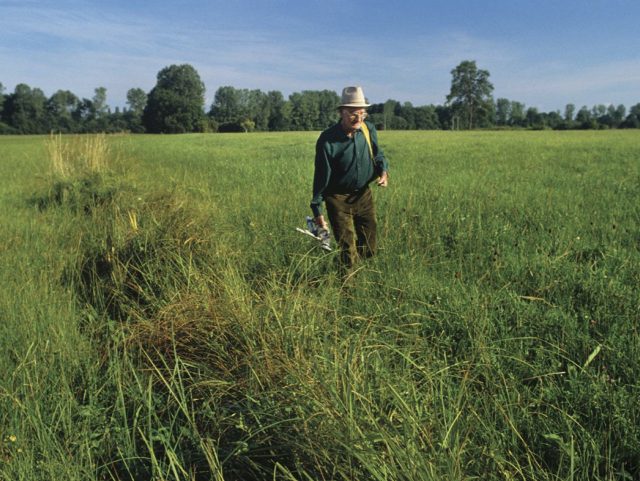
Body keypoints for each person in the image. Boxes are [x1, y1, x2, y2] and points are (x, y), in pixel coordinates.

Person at [310, 85, 389, 269]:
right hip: (337, 198)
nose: (358, 118)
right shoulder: (327, 140)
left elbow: (378, 155)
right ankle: (348, 288)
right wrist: (317, 210)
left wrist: (383, 171)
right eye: (353, 113)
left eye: (362, 113)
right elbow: (321, 176)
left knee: (369, 247)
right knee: (347, 249)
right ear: (341, 112)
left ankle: (355, 269)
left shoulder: (368, 129)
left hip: (363, 195)